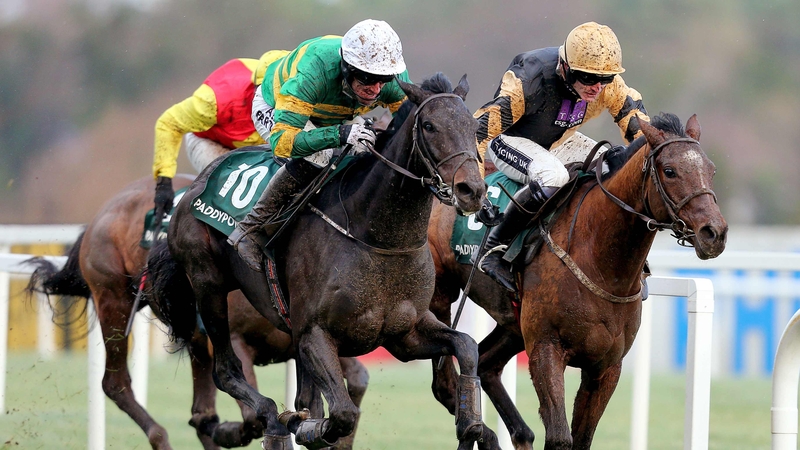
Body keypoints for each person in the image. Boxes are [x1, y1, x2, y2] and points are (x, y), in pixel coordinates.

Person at [475, 21, 651, 293]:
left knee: (616, 167)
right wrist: (477, 196)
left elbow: (640, 133)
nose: (597, 88)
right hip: (508, 140)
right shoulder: (529, 78)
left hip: (557, 141)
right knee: (553, 176)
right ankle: (493, 250)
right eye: (589, 78)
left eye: (604, 80)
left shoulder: (608, 84)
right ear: (565, 67)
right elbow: (479, 132)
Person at [227, 19, 411, 272]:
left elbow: (410, 124)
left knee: (369, 150)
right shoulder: (315, 71)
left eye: (384, 79)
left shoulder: (389, 76)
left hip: (335, 113)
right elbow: (284, 143)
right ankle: (250, 229)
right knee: (320, 156)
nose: (377, 89)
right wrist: (339, 134)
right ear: (347, 68)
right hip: (277, 108)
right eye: (369, 78)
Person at [151, 50, 288, 217]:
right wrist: (163, 182)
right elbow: (168, 123)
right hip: (210, 142)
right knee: (238, 184)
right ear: (258, 89)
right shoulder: (214, 100)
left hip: (256, 147)